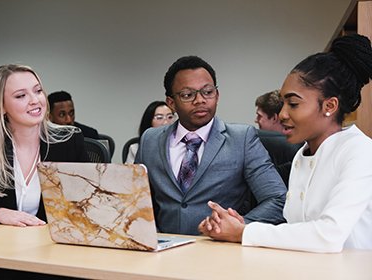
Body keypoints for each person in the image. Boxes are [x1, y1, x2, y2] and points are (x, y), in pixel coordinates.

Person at [198, 34, 372, 253]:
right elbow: (298, 231)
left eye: (293, 104)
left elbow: (329, 235)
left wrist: (243, 233)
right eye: (283, 104)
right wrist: (241, 226)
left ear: (330, 105)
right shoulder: (302, 155)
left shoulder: (360, 151)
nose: (282, 114)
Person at [135, 55, 287, 235]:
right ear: (171, 103)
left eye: (207, 92)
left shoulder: (242, 139)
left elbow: (278, 199)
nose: (200, 100)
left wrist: (239, 226)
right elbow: (136, 201)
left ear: (217, 95)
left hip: (219, 250)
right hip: (162, 250)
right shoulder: (150, 140)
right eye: (187, 95)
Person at [0, 64, 88, 226]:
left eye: (38, 91)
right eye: (21, 96)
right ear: (1, 106)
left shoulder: (70, 140)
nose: (35, 100)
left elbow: (90, 202)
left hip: (51, 244)